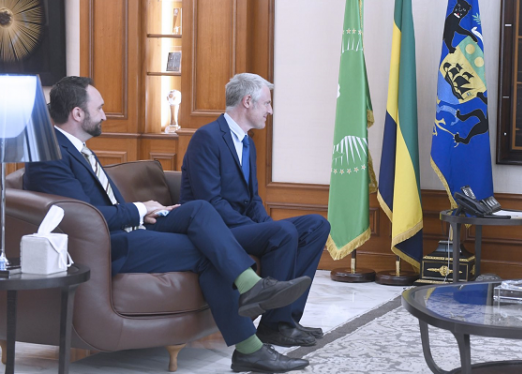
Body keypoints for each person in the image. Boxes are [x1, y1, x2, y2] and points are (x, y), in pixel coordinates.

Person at [24, 76, 311, 373]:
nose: (106, 115)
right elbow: (83, 218)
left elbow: (100, 207)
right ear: (78, 114)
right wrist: (137, 210)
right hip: (109, 245)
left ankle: (252, 289)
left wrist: (147, 212)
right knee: (208, 252)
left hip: (127, 230)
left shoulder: (76, 148)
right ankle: (250, 342)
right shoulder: (51, 155)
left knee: (197, 209)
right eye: (100, 108)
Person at [180, 73, 330, 347]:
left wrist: (266, 226)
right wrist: (260, 229)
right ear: (247, 101)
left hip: (240, 226)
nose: (270, 111)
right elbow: (209, 203)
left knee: (317, 225)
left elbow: (252, 200)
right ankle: (275, 326)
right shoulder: (207, 138)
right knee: (282, 231)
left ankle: (286, 320)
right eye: (267, 104)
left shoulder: (248, 143)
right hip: (216, 233)